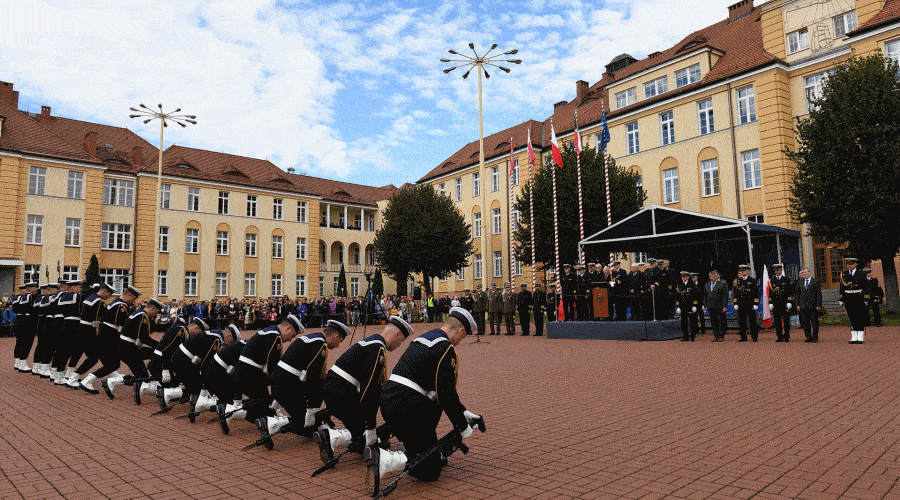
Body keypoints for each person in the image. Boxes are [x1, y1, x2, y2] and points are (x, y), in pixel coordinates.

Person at [368, 307, 481, 494]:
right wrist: (462, 425)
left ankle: (421, 451)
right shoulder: (445, 348)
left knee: (431, 455)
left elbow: (438, 392)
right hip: (408, 408)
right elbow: (445, 393)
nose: (460, 342)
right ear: (461, 331)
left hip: (393, 402)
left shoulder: (426, 338)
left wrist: (462, 411)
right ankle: (388, 460)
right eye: (463, 337)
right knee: (430, 471)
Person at [315, 315, 413, 463]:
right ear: (397, 334)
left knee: (370, 440)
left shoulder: (373, 343)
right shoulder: (377, 348)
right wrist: (371, 427)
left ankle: (336, 437)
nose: (400, 345)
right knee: (369, 440)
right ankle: (331, 437)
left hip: (337, 391)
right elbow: (370, 392)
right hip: (341, 395)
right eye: (402, 340)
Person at [259, 319, 349, 444]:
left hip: (284, 385)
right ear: (336, 336)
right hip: (286, 388)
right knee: (307, 427)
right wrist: (313, 407)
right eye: (340, 341)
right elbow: (314, 378)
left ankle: (320, 426)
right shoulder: (320, 344)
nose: (338, 345)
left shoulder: (312, 339)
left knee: (311, 422)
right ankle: (273, 423)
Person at [224, 314, 303, 434]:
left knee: (266, 403)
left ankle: (259, 420)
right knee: (265, 404)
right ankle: (234, 412)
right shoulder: (274, 337)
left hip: (247, 372)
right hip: (248, 375)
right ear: (288, 329)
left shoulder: (270, 331)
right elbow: (273, 366)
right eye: (292, 335)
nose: (290, 339)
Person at [80, 286, 141, 394]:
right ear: (129, 295)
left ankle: (104, 381)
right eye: (134, 298)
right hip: (110, 336)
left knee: (111, 363)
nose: (134, 301)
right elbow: (123, 323)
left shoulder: (116, 302)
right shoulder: (121, 305)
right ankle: (88, 381)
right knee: (113, 364)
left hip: (107, 334)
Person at [101, 297, 163, 401]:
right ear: (152, 309)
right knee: (143, 377)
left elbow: (152, 330)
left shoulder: (140, 314)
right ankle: (111, 382)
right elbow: (144, 338)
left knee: (149, 362)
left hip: (129, 348)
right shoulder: (141, 316)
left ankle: (153, 380)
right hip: (128, 350)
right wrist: (160, 346)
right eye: (157, 312)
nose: (157, 315)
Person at [168, 325, 237, 419]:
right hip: (183, 360)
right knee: (198, 384)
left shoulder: (215, 334)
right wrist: (206, 383)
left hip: (182, 358)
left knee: (195, 385)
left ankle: (194, 408)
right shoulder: (217, 339)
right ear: (229, 336)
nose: (228, 345)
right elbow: (206, 362)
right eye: (231, 342)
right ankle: (194, 407)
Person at [68, 283, 114, 388]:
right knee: (93, 357)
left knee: (96, 354)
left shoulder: (90, 298)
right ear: (104, 292)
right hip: (88, 330)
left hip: (82, 327)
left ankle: (113, 372)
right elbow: (102, 316)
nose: (109, 297)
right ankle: (73, 378)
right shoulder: (98, 301)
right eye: (109, 294)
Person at [840, 257, 868, 344]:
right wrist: (841, 299)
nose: (850, 266)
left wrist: (866, 299)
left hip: (858, 297)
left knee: (859, 317)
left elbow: (866, 287)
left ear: (856, 264)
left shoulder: (861, 273)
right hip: (848, 298)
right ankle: (853, 337)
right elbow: (841, 288)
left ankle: (860, 337)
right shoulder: (844, 274)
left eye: (851, 264)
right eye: (848, 264)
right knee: (851, 317)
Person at [12, 282, 37, 373]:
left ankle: (18, 362)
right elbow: (33, 309)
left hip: (20, 320)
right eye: (34, 287)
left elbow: (16, 309)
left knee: (20, 342)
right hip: (28, 322)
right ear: (30, 289)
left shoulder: (21, 298)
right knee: (27, 342)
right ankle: (22, 363)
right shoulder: (30, 297)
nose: (36, 289)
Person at [768, 263, 794, 342]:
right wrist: (770, 303)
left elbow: (790, 292)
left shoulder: (786, 280)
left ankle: (786, 336)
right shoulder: (772, 281)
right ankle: (779, 336)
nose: (776, 272)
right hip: (776, 304)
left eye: (778, 270)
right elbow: (771, 293)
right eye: (775, 270)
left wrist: (789, 302)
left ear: (781, 270)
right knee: (777, 321)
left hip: (784, 303)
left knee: (786, 321)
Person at [732, 264, 759, 342]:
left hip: (750, 304)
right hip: (741, 304)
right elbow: (736, 293)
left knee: (752, 321)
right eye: (741, 271)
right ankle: (743, 337)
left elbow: (756, 293)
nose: (743, 272)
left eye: (744, 270)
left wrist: (756, 303)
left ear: (748, 271)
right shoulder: (738, 281)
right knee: (742, 322)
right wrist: (735, 303)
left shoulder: (753, 280)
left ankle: (754, 337)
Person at [795, 267, 822, 343]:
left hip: (813, 306)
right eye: (803, 273)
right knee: (805, 323)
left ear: (810, 273)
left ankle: (815, 337)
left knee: (814, 322)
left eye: (806, 272)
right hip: (803, 306)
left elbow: (818, 294)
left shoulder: (815, 281)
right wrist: (797, 304)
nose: (804, 274)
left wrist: (819, 305)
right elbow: (798, 294)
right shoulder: (800, 282)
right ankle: (808, 336)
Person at [704, 270, 728, 341]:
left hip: (719, 306)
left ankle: (721, 336)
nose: (713, 277)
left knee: (720, 321)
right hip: (710, 306)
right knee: (713, 322)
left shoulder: (721, 284)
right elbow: (705, 296)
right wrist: (705, 305)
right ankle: (715, 335)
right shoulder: (706, 285)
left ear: (716, 276)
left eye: (714, 276)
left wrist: (724, 306)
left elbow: (725, 296)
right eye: (711, 276)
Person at [675, 271, 700, 341]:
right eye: (682, 277)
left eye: (684, 277)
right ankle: (685, 336)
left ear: (688, 277)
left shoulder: (692, 285)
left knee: (692, 322)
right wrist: (678, 306)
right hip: (683, 306)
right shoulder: (679, 285)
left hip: (690, 305)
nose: (683, 278)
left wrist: (695, 305)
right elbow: (677, 296)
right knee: (683, 322)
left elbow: (695, 296)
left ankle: (692, 336)